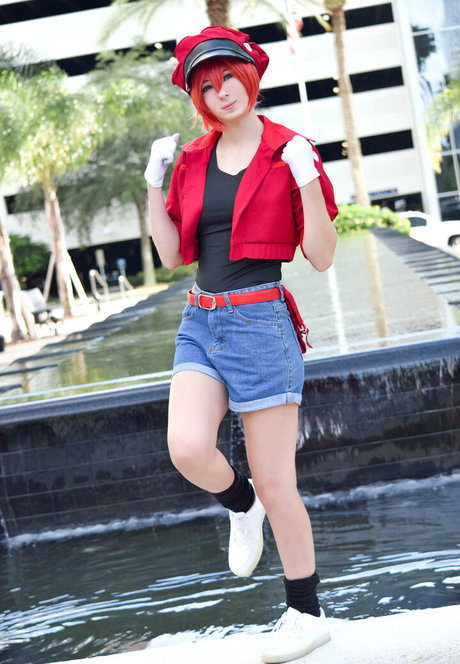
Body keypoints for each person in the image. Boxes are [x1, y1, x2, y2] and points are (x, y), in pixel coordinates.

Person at [144, 25, 338, 663]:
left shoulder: (289, 150)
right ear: (197, 97)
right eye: (206, 85)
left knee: (279, 481)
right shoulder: (193, 159)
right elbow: (171, 253)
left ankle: (306, 612)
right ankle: (239, 503)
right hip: (201, 321)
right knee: (186, 447)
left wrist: (305, 178)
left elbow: (321, 255)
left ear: (249, 76)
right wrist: (154, 185)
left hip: (260, 324)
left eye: (229, 76)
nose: (221, 91)